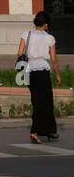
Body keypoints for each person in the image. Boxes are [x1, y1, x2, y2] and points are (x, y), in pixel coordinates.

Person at [19, 11, 61, 143]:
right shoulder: (49, 38)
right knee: (46, 101)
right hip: (42, 70)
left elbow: (20, 53)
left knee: (36, 100)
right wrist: (58, 75)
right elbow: (53, 59)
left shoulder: (27, 34)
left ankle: (50, 130)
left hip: (29, 70)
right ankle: (36, 131)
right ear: (46, 24)